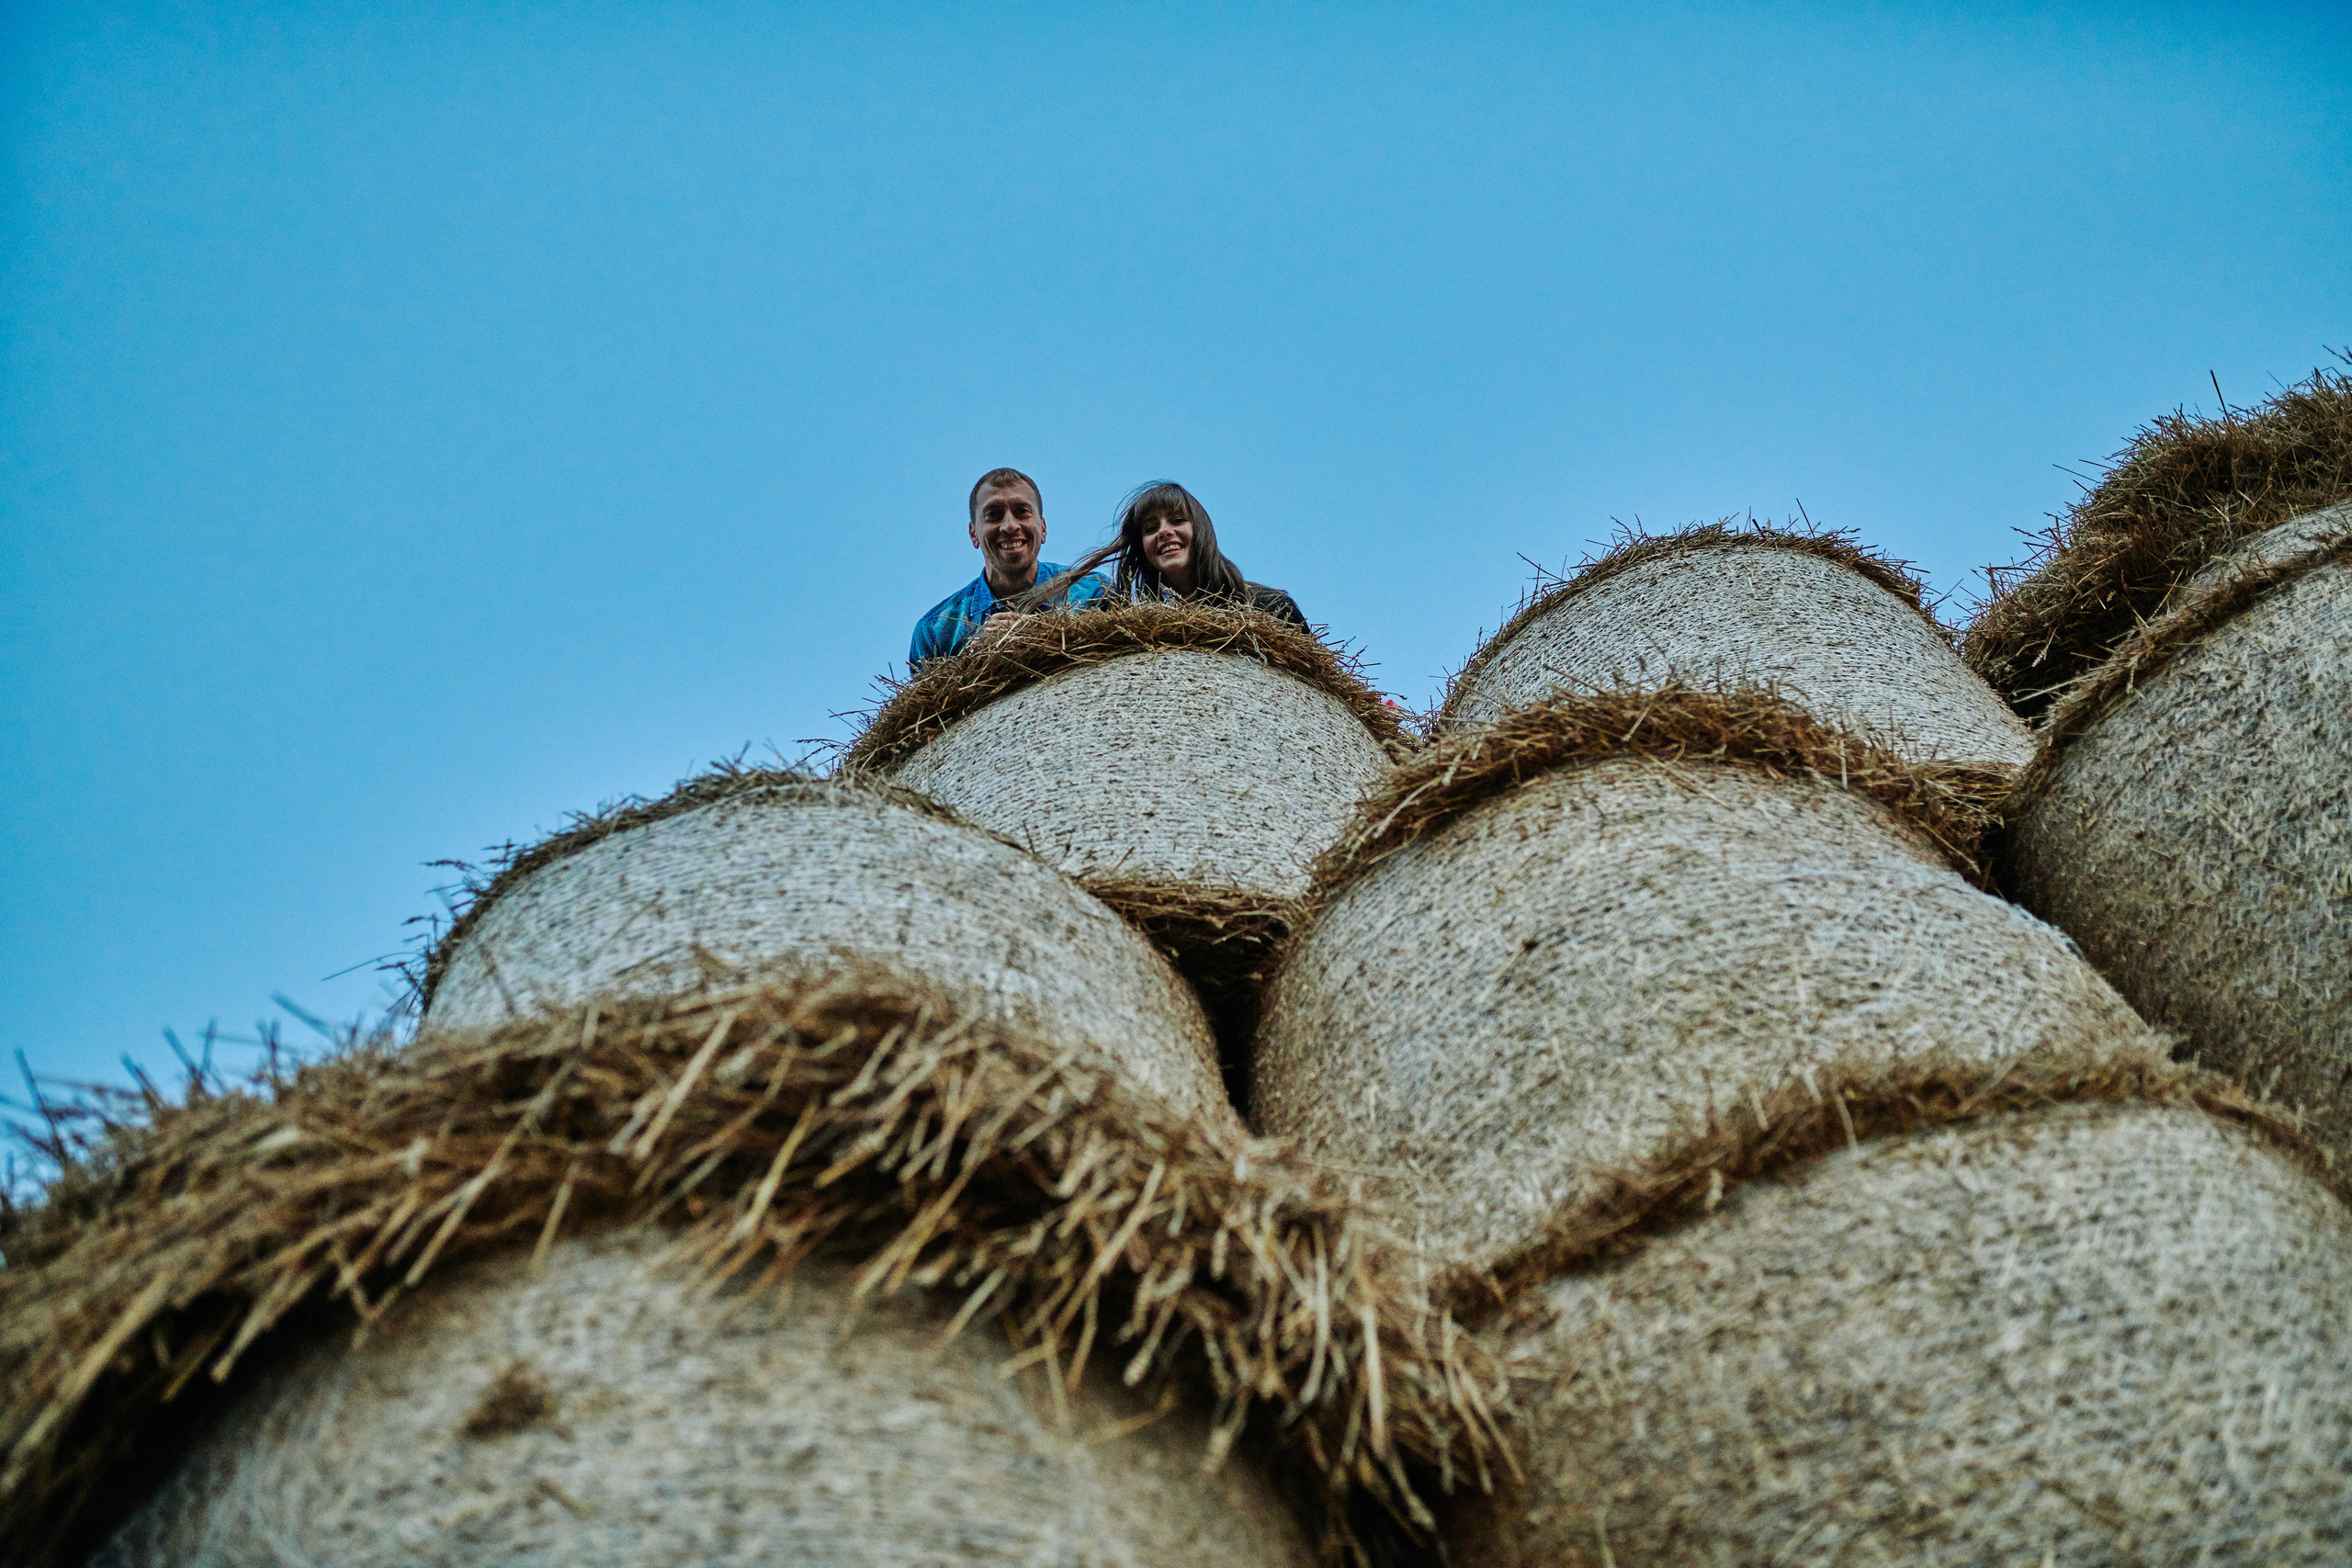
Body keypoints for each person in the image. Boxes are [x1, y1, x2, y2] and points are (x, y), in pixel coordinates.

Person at [909, 468, 1111, 668]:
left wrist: (1040, 633)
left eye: (1022, 512)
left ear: (1043, 528)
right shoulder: (935, 632)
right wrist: (968, 665)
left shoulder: (1096, 592)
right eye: (993, 515)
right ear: (973, 534)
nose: (1010, 526)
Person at [1031, 481, 1308, 627]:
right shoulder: (1133, 622)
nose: (1164, 532)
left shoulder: (1271, 607)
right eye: (1151, 528)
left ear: (1201, 531)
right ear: (1142, 547)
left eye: (1177, 521)